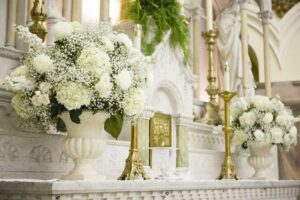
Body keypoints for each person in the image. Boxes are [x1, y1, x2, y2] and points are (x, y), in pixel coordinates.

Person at [216, 0, 255, 96]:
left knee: (244, 70)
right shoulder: (225, 19)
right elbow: (224, 35)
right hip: (232, 51)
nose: (238, 8)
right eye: (237, 4)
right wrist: (236, 26)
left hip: (238, 49)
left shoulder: (235, 20)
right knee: (232, 72)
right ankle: (234, 94)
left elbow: (244, 37)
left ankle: (241, 94)